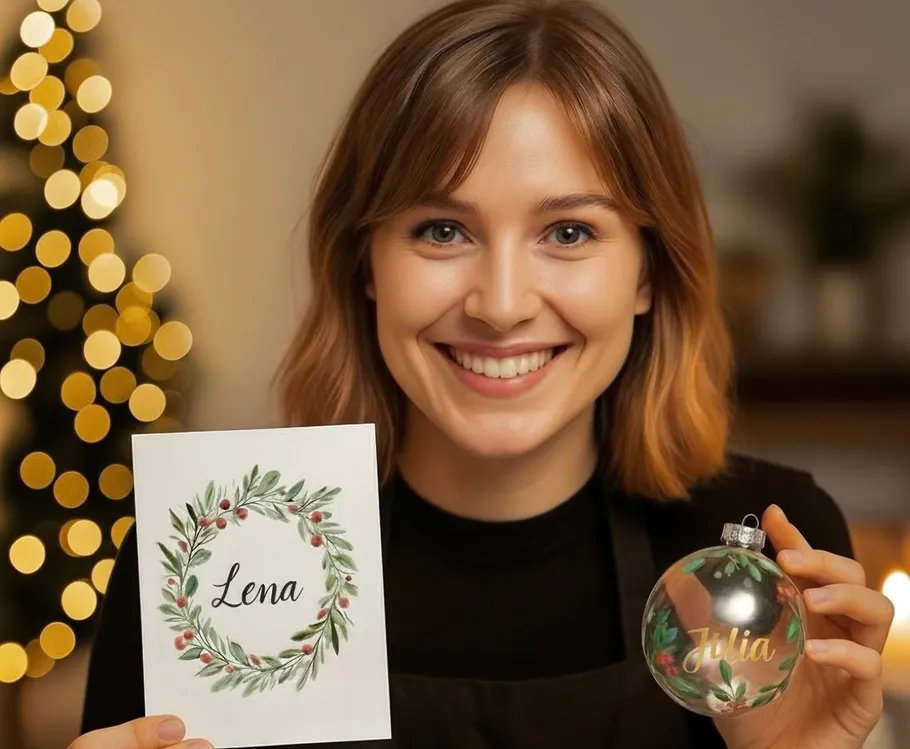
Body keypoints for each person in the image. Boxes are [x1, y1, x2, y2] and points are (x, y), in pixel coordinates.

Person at [72, 1, 894, 748]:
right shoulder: (205, 566)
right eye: (441, 230)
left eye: (569, 232)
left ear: (648, 273)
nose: (500, 305)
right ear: (367, 265)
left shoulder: (762, 569)